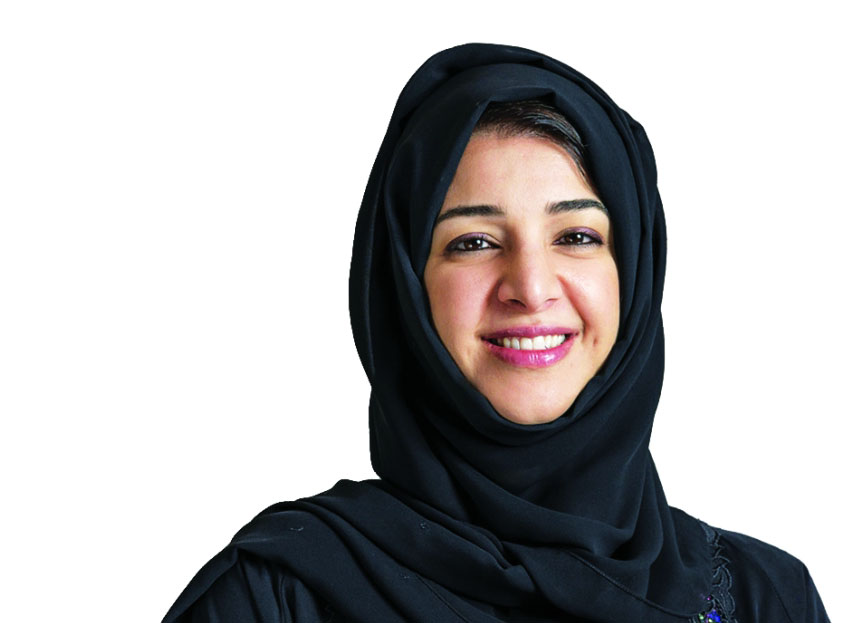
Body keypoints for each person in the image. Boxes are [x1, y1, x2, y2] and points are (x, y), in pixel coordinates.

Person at [163, 43, 829, 623]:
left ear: (633, 271)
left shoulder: (765, 598)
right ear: (403, 287)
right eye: (474, 241)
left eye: (576, 236)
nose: (530, 287)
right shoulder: (276, 596)